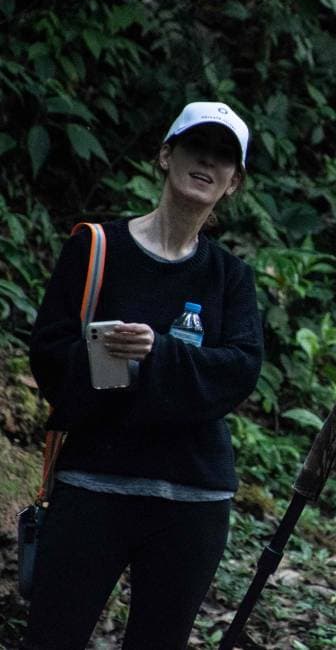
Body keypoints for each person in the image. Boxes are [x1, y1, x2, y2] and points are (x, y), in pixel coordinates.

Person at [23, 101, 264, 649]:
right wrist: (108, 357)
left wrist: (158, 355)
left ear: (234, 183)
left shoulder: (230, 276)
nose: (207, 160)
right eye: (195, 145)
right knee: (51, 637)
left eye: (224, 155)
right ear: (165, 155)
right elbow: (48, 352)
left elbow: (240, 370)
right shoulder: (94, 247)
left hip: (194, 497)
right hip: (93, 483)